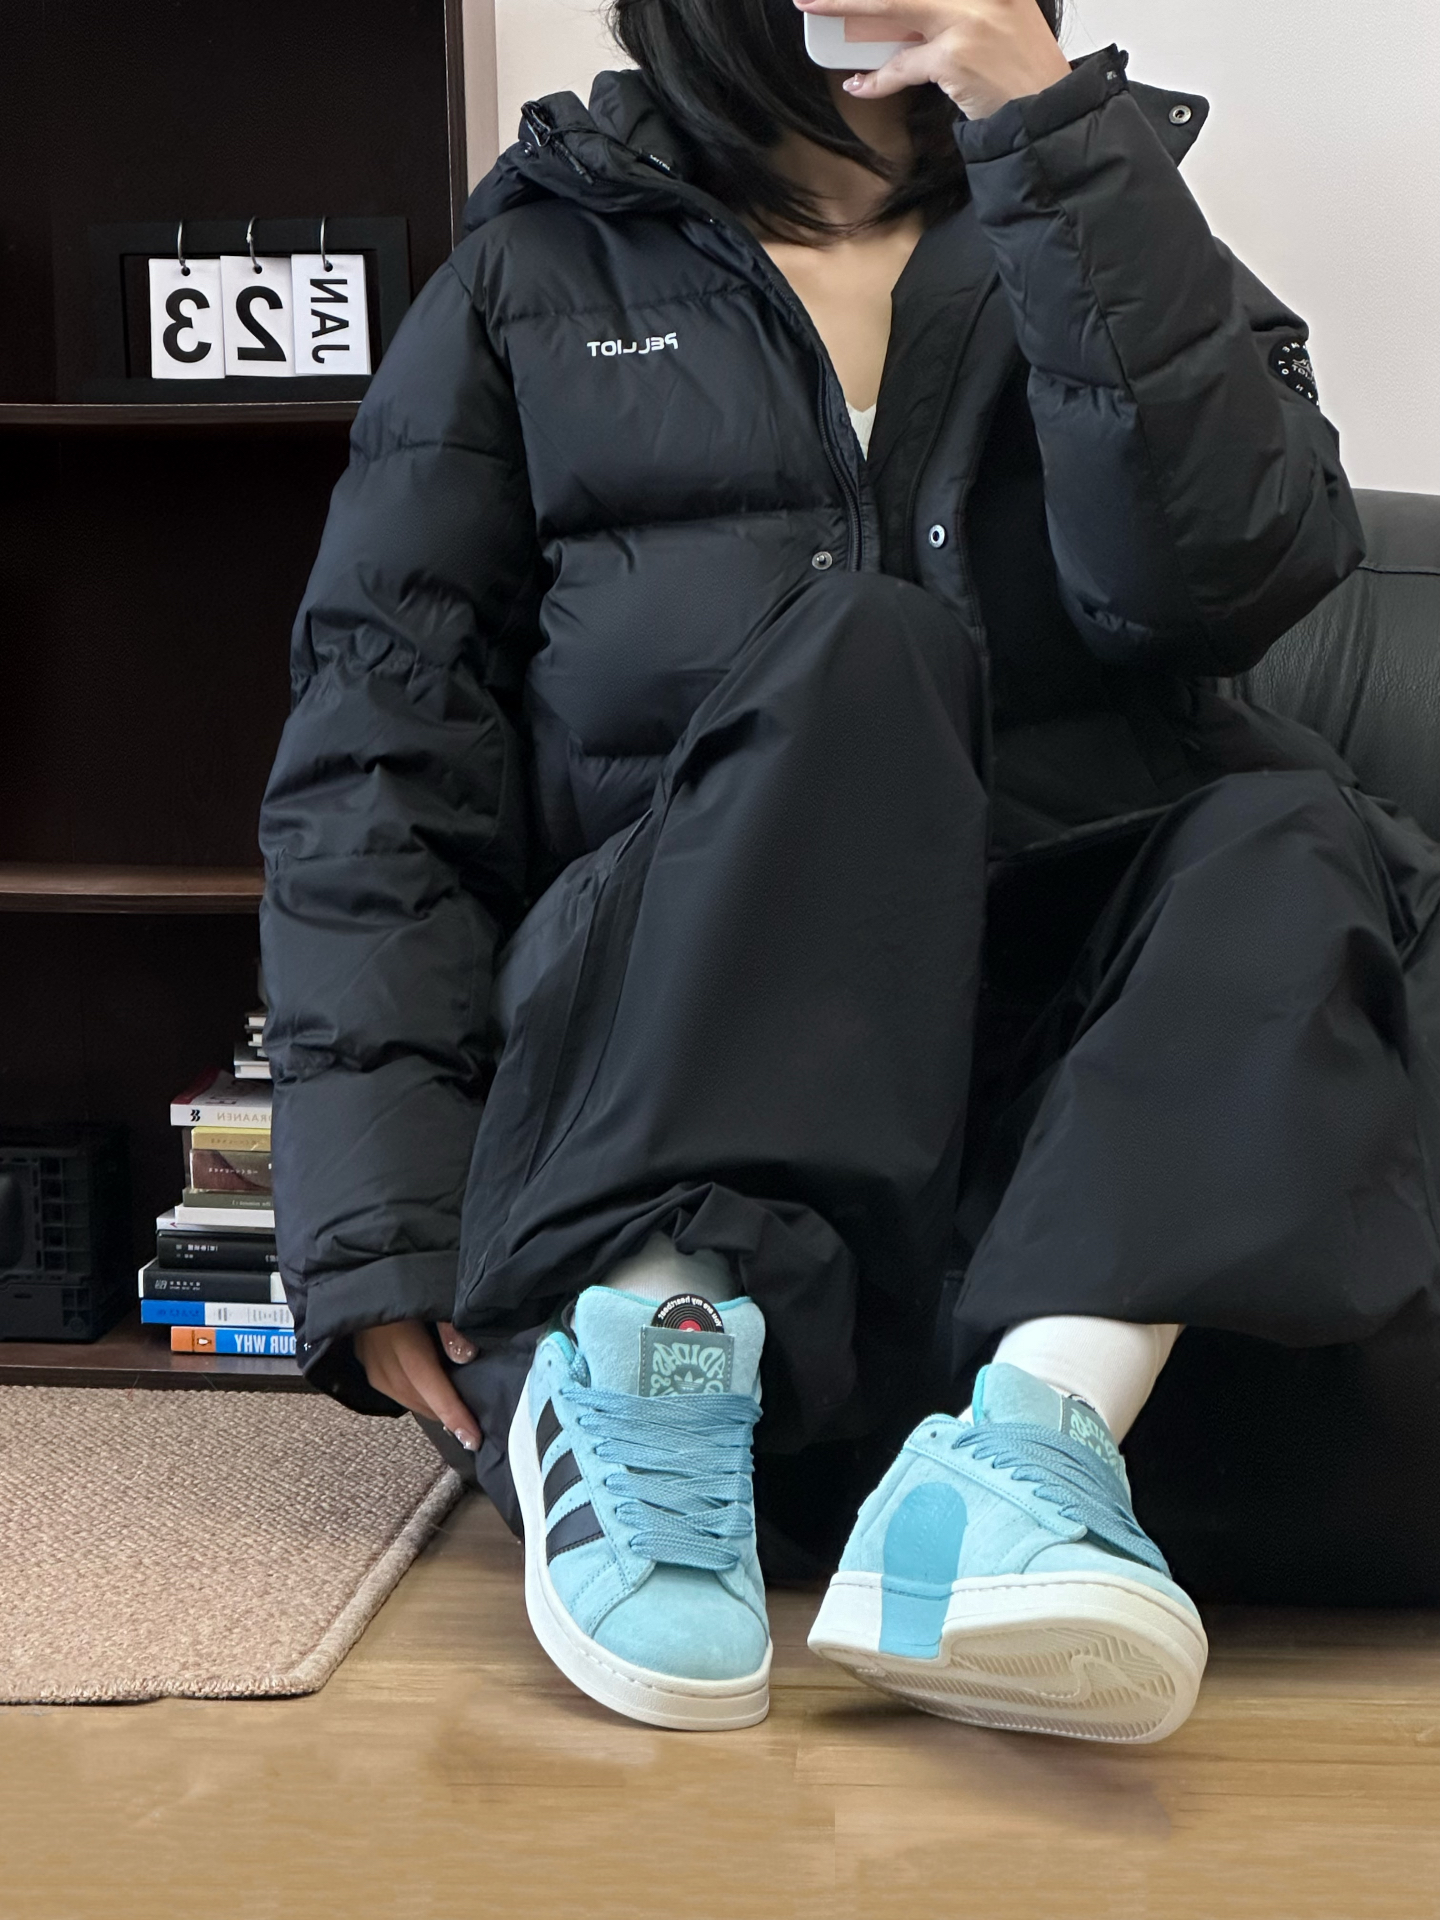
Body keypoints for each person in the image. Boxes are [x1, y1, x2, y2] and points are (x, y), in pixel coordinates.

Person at [258, 0, 1440, 1742]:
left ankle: (1023, 1466)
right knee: (866, 653)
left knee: (1289, 821)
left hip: (1066, 1143)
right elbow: (378, 769)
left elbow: (1235, 576)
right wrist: (379, 1229)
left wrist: (1049, 141)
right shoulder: (530, 279)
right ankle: (652, 1364)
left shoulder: (1099, 202)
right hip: (669, 1081)